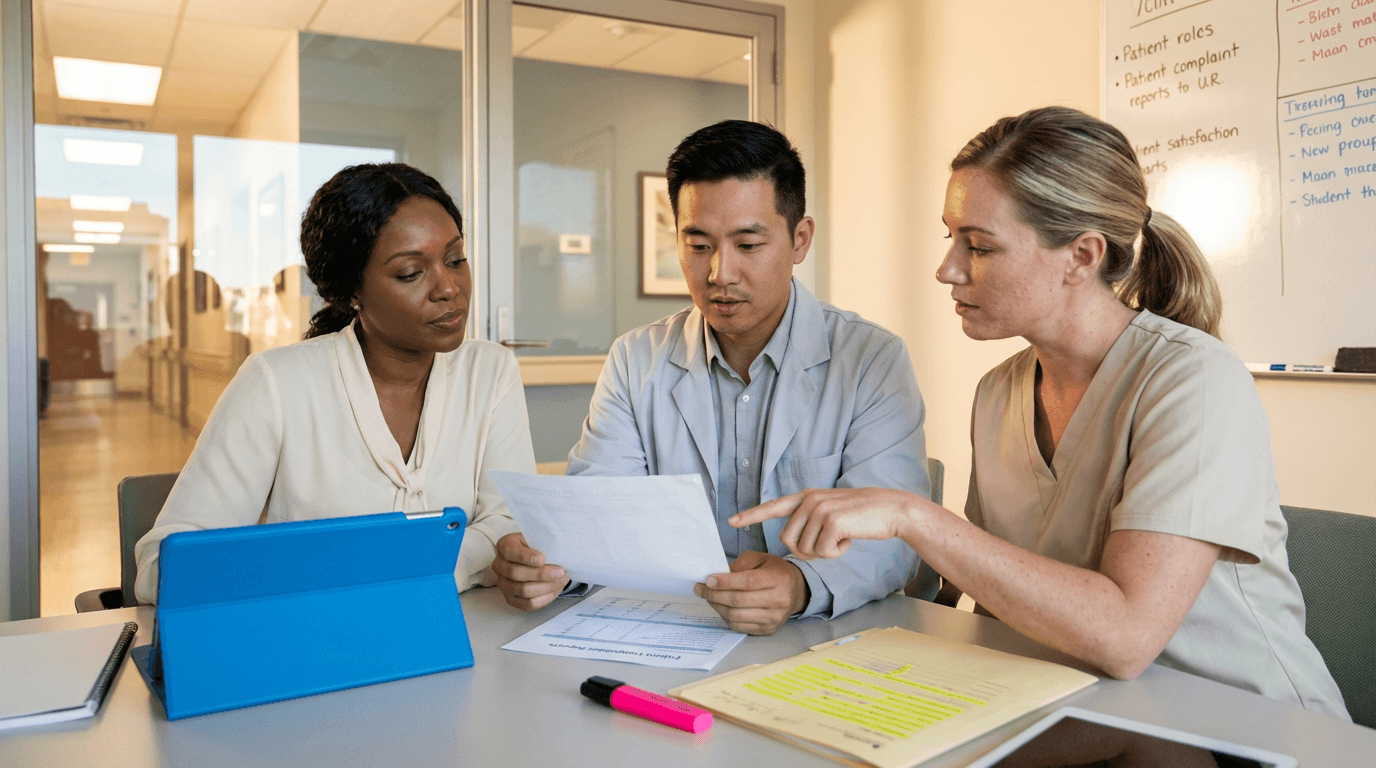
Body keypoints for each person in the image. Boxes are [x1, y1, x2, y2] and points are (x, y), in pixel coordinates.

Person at [731, 106, 1349, 718]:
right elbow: (998, 598)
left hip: (1250, 731)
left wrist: (909, 516)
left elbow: (1127, 637)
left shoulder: (1194, 381)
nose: (946, 270)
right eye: (951, 238)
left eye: (978, 246)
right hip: (1087, 718)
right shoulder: (1000, 391)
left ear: (1082, 256)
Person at [492, 120, 929, 635]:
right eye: (698, 245)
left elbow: (895, 541)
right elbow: (599, 518)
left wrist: (799, 583)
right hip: (672, 630)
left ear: (800, 239)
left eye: (747, 245)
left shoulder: (871, 361)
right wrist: (546, 566)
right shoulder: (636, 360)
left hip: (821, 638)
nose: (720, 273)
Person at [134, 163, 536, 604]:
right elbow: (163, 568)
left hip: (461, 635)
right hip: (316, 645)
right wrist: (428, 562)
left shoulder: (490, 371)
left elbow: (509, 523)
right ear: (350, 292)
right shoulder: (277, 383)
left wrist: (418, 564)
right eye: (410, 273)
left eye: (456, 259)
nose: (449, 288)